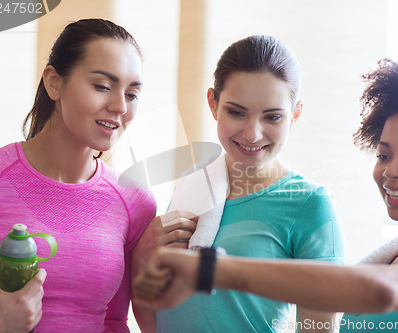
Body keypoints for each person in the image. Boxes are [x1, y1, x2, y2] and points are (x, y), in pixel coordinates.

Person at [132, 57, 398, 333]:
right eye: (384, 154)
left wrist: (210, 270)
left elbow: (386, 292)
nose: (392, 171)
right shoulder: (392, 260)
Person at [132, 35, 345, 332]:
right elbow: (159, 315)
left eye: (272, 116)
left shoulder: (310, 204)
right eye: (236, 112)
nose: (252, 134)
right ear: (213, 102)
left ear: (295, 114)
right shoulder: (192, 187)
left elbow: (319, 328)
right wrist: (141, 254)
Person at [0, 18, 156, 332]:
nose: (119, 106)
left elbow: (115, 321)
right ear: (54, 82)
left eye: (132, 95)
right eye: (102, 86)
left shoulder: (135, 201)